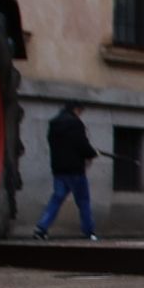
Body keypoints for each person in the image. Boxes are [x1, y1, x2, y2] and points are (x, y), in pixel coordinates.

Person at [32, 103, 98, 240]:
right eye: (80, 111)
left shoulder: (54, 123)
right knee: (83, 201)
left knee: (56, 199)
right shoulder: (76, 124)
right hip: (75, 169)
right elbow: (82, 144)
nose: (81, 114)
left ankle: (41, 228)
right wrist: (92, 153)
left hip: (59, 169)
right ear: (76, 109)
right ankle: (89, 231)